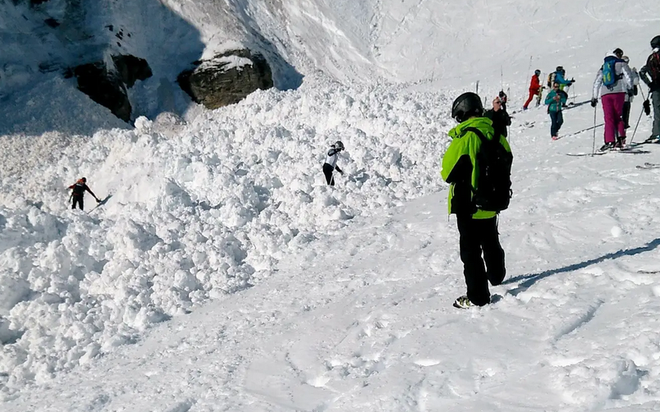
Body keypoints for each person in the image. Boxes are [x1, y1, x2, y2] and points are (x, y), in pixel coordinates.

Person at [440, 92, 511, 309]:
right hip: (492, 203)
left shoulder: (466, 137)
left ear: (461, 113)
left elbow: (447, 172)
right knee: (491, 241)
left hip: (469, 205)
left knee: (471, 253)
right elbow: (507, 158)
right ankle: (497, 276)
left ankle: (478, 297)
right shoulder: (496, 134)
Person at [591, 48, 634, 150]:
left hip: (605, 94)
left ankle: (609, 141)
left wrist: (594, 97)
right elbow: (629, 76)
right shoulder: (621, 63)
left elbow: (597, 82)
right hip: (619, 92)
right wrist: (630, 88)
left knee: (609, 118)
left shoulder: (604, 67)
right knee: (617, 116)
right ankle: (620, 139)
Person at [639, 35, 660, 143]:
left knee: (657, 111)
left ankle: (656, 133)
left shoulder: (651, 58)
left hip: (656, 87)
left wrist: (650, 84)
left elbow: (642, 72)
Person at [621, 56, 639, 129]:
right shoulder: (630, 71)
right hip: (627, 96)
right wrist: (635, 73)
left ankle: (619, 134)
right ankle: (623, 133)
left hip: (618, 95)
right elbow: (636, 81)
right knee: (625, 115)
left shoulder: (617, 70)